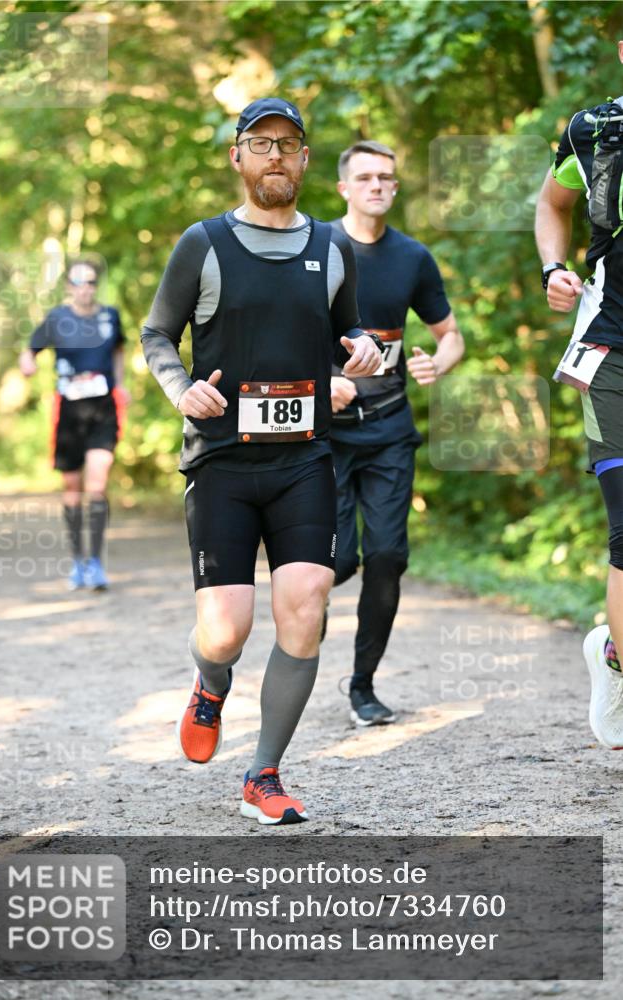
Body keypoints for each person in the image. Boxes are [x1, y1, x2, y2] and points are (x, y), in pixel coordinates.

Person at [142, 98, 382, 825]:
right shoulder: (204, 244)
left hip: (305, 458)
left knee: (305, 606)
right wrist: (181, 391)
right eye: (260, 143)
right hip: (221, 461)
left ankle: (263, 774)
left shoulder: (332, 248)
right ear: (237, 158)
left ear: (305, 160)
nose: (275, 155)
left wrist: (361, 356)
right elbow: (157, 335)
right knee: (225, 632)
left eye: (288, 144)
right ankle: (210, 682)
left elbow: (351, 339)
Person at [326, 140, 465, 725]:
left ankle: (362, 685)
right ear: (344, 188)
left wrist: (439, 361)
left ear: (395, 187)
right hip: (322, 433)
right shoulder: (317, 248)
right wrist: (318, 380)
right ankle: (292, 660)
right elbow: (278, 332)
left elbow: (451, 334)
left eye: (386, 177)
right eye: (365, 177)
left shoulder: (413, 257)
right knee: (334, 563)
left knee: (386, 556)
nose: (377, 185)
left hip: (388, 427)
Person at [535, 42, 623, 750]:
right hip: (610, 348)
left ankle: (612, 653)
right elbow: (551, 203)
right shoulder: (590, 129)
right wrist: (551, 269)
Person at [19, 260, 128, 591]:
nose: (85, 287)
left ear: (96, 285)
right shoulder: (57, 319)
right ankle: (78, 561)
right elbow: (30, 350)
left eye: (91, 282)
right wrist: (27, 363)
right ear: (69, 286)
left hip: (103, 408)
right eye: (79, 282)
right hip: (68, 411)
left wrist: (121, 384)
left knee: (97, 484)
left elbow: (120, 350)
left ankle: (95, 562)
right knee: (72, 488)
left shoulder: (110, 316)